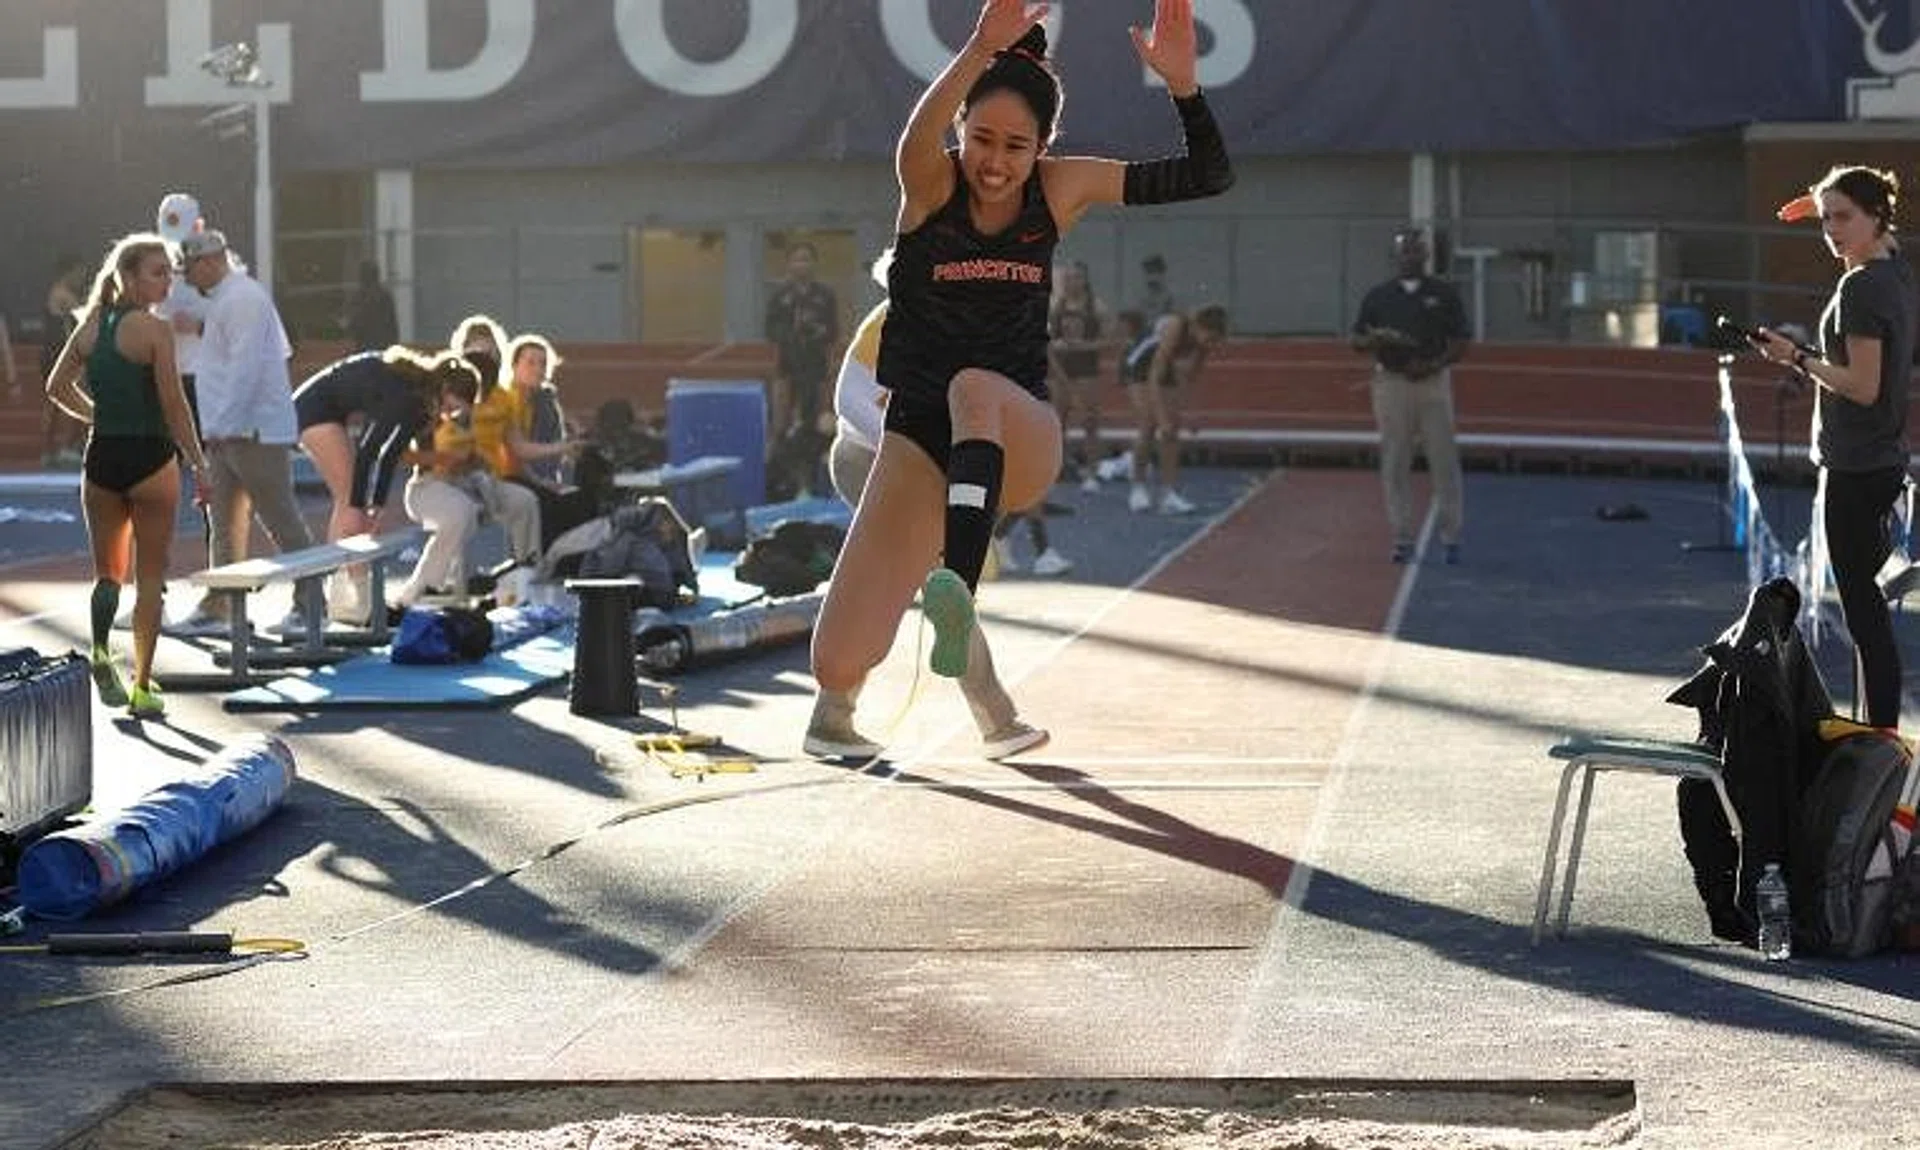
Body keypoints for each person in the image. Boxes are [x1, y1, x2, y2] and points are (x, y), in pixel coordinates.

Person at [804, 0, 1233, 756]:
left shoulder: (1061, 189)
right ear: (960, 131)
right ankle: (838, 719)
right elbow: (914, 137)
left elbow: (1207, 174)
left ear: (1044, 147)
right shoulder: (930, 189)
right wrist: (976, 48)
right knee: (834, 660)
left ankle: (956, 594)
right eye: (981, 140)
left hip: (1017, 434)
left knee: (974, 386)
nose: (996, 163)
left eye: (1016, 146)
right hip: (918, 441)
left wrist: (1184, 90)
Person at [820, 294, 1048, 759]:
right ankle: (995, 721)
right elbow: (848, 396)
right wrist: (903, 446)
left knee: (937, 586)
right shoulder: (897, 314)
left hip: (923, 468)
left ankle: (832, 716)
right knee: (928, 584)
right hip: (867, 457)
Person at [1756, 166, 1919, 730]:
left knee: (1864, 614)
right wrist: (1823, 199)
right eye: (1826, 219)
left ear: (1877, 217)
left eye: (1843, 217)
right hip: (1881, 462)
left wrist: (1796, 358)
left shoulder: (1860, 286)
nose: (1830, 229)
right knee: (1870, 611)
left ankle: (1881, 739)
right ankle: (1880, 732)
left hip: (1853, 467)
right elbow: (1872, 204)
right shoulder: (1894, 270)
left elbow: (1862, 386)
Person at [42, 233, 212, 718]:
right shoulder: (154, 331)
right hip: (151, 460)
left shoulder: (92, 325)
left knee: (107, 576)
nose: (166, 281)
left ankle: (100, 652)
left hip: (102, 462)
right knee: (151, 578)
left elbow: (57, 387)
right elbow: (173, 406)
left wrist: (96, 416)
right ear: (130, 276)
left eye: (169, 273)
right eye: (157, 272)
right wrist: (199, 464)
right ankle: (141, 685)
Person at [170, 228, 322, 637]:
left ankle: (311, 606)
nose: (189, 281)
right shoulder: (233, 298)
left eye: (192, 270)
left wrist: (223, 425)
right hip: (234, 430)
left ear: (211, 261)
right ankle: (221, 606)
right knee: (224, 523)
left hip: (250, 431)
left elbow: (246, 368)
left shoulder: (242, 299)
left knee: (280, 520)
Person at [293, 347, 483, 622]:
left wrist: (378, 506)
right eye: (452, 407)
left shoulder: (421, 405)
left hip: (330, 412)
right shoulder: (407, 394)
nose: (449, 416)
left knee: (349, 501)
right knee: (349, 500)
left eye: (456, 414)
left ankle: (345, 596)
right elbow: (369, 449)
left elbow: (391, 453)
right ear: (443, 389)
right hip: (313, 410)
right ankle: (355, 596)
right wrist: (364, 504)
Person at [1351, 227, 1470, 564]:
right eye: (1404, 251)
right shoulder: (1378, 296)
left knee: (1443, 458)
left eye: (1416, 251)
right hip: (1391, 382)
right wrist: (1374, 341)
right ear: (1395, 256)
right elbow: (1357, 339)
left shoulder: (1444, 294)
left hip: (1433, 383)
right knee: (1395, 459)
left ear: (1426, 255)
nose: (1410, 257)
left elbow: (1461, 341)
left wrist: (1433, 364)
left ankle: (1451, 535)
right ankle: (1402, 536)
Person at [1122, 302, 1227, 514]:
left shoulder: (1204, 343)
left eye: (1215, 341)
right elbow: (1153, 377)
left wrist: (1181, 412)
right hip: (1140, 365)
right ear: (1199, 327)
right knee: (1149, 425)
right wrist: (1162, 418)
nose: (1211, 344)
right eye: (1209, 338)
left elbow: (1188, 378)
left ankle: (1169, 493)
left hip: (1164, 367)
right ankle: (1138, 488)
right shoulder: (1175, 326)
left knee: (1172, 431)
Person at [764, 240, 841, 441]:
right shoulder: (779, 296)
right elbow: (770, 330)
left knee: (819, 423)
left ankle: (814, 461)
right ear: (789, 264)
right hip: (787, 367)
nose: (802, 264)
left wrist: (819, 331)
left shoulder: (825, 295)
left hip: (817, 366)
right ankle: (779, 459)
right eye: (797, 260)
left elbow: (834, 331)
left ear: (814, 263)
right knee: (780, 422)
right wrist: (793, 332)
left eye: (806, 259)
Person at [1050, 260, 1108, 491]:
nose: (1071, 282)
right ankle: (1057, 469)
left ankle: (1091, 471)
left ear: (1084, 280)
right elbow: (1045, 339)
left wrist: (1084, 345)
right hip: (1061, 368)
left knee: (1089, 420)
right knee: (1057, 422)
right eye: (1068, 278)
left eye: (1076, 277)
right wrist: (1059, 344)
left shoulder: (1097, 306)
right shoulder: (1056, 305)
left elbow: (1109, 340)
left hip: (1086, 369)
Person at [39, 255, 88, 468]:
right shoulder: (62, 294)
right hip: (56, 355)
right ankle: (61, 448)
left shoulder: (60, 293)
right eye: (78, 274)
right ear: (69, 273)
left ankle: (57, 449)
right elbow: (85, 316)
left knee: (59, 403)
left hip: (58, 353)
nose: (80, 279)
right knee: (63, 401)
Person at [344, 259, 400, 352]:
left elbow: (353, 323)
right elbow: (393, 325)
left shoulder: (359, 297)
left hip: (365, 345)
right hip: (381, 345)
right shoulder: (384, 295)